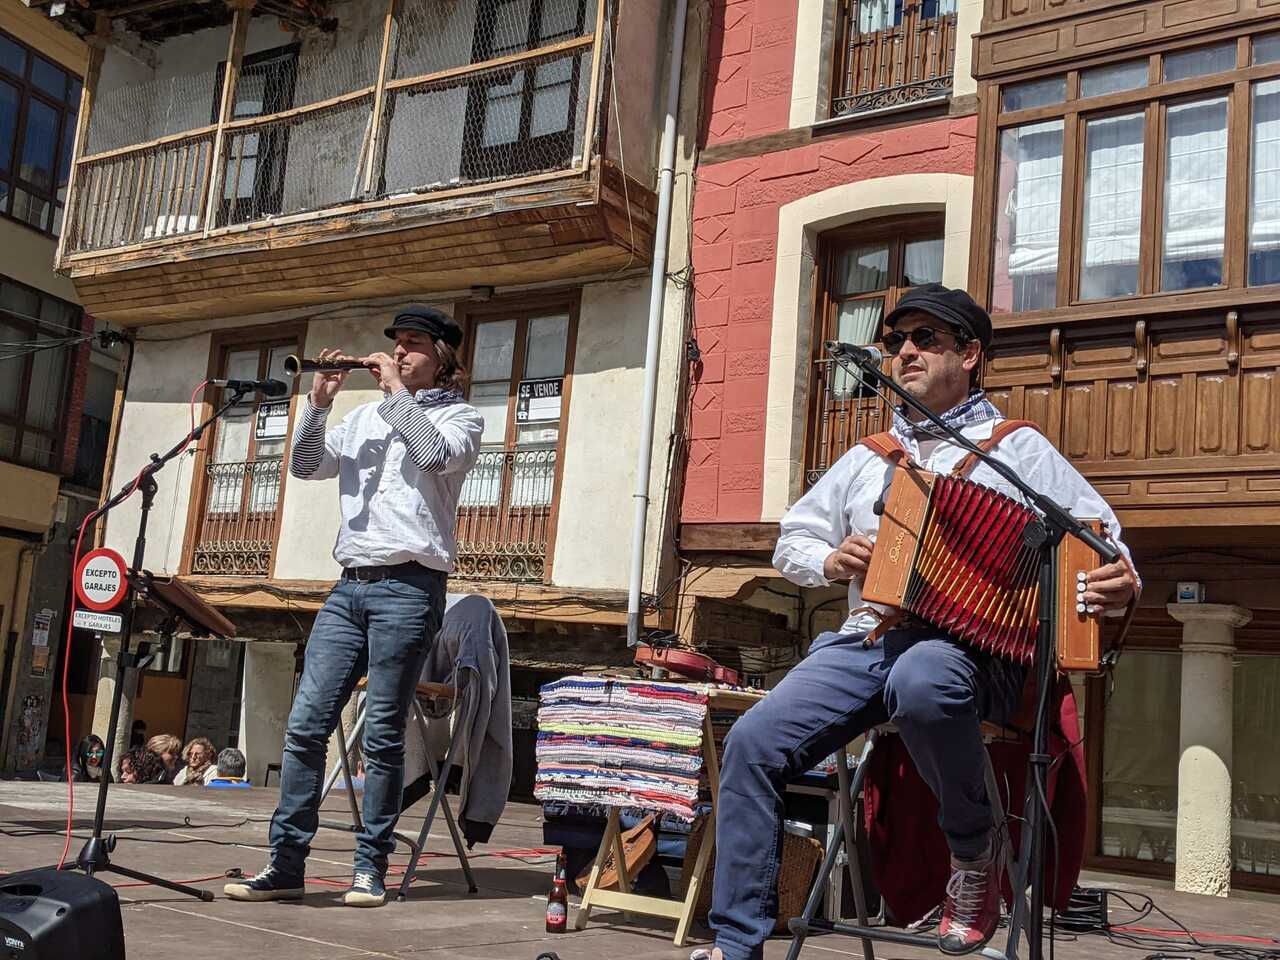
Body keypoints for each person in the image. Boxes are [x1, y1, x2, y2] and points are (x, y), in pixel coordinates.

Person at [698, 284, 1140, 960]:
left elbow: (1100, 540)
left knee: (924, 676)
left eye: (925, 339)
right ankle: (737, 946)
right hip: (867, 639)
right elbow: (791, 542)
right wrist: (830, 557)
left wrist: (1119, 576)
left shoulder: (1016, 452)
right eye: (896, 341)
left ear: (970, 354)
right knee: (754, 742)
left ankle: (973, 849)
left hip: (973, 655)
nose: (904, 352)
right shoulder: (868, 458)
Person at [225, 304, 482, 909]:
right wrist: (317, 404)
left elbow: (431, 458)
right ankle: (286, 864)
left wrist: (396, 395)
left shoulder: (463, 420)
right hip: (349, 586)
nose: (399, 353)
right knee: (306, 726)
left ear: (442, 355)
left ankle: (370, 868)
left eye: (414, 344)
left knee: (385, 734)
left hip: (410, 586)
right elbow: (307, 466)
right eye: (396, 344)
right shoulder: (364, 416)